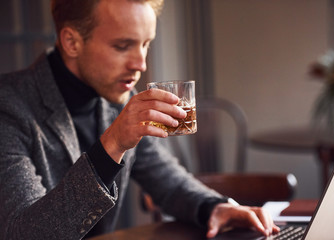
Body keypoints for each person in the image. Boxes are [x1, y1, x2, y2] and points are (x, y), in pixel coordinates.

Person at [0, 0, 280, 239]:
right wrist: (113, 143)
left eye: (146, 44)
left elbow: (166, 178)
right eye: (123, 46)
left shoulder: (119, 96)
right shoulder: (9, 107)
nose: (141, 64)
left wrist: (214, 206)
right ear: (71, 42)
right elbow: (25, 232)